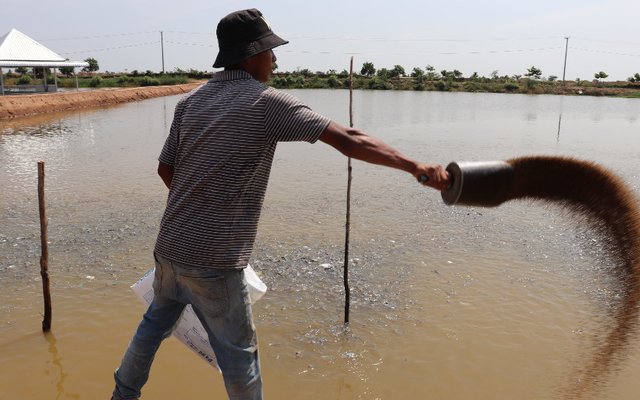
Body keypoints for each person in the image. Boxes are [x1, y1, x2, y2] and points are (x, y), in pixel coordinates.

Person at [111, 8, 450, 400]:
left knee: (152, 325)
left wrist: (198, 209)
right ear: (253, 54)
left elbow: (164, 168)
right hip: (216, 260)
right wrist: (416, 166)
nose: (276, 60)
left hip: (169, 247)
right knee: (240, 357)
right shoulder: (265, 102)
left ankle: (122, 394)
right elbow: (348, 138)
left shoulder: (191, 102)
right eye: (271, 51)